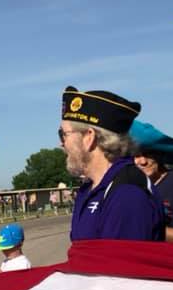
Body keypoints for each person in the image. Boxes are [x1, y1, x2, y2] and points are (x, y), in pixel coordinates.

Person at [58, 85, 164, 241]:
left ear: (89, 137)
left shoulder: (127, 194)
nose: (61, 144)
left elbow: (118, 264)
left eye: (63, 134)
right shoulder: (88, 189)